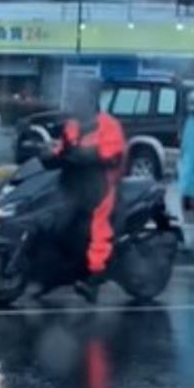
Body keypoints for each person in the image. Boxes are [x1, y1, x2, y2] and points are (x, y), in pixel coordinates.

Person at [41, 78, 127, 303]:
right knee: (56, 220)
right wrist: (48, 155)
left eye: (80, 100)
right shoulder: (72, 125)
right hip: (74, 183)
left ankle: (94, 279)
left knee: (99, 227)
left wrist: (87, 155)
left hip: (101, 184)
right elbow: (63, 148)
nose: (75, 105)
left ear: (90, 102)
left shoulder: (108, 125)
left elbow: (112, 154)